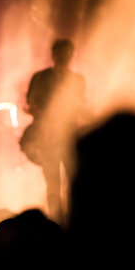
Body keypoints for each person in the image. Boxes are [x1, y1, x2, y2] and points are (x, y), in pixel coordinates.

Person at [21, 39, 89, 224]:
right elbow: (30, 104)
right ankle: (56, 222)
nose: (64, 57)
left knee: (73, 180)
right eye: (60, 52)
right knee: (53, 182)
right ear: (53, 54)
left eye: (67, 52)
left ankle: (72, 220)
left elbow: (81, 105)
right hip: (48, 136)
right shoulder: (41, 77)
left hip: (69, 135)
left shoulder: (77, 79)